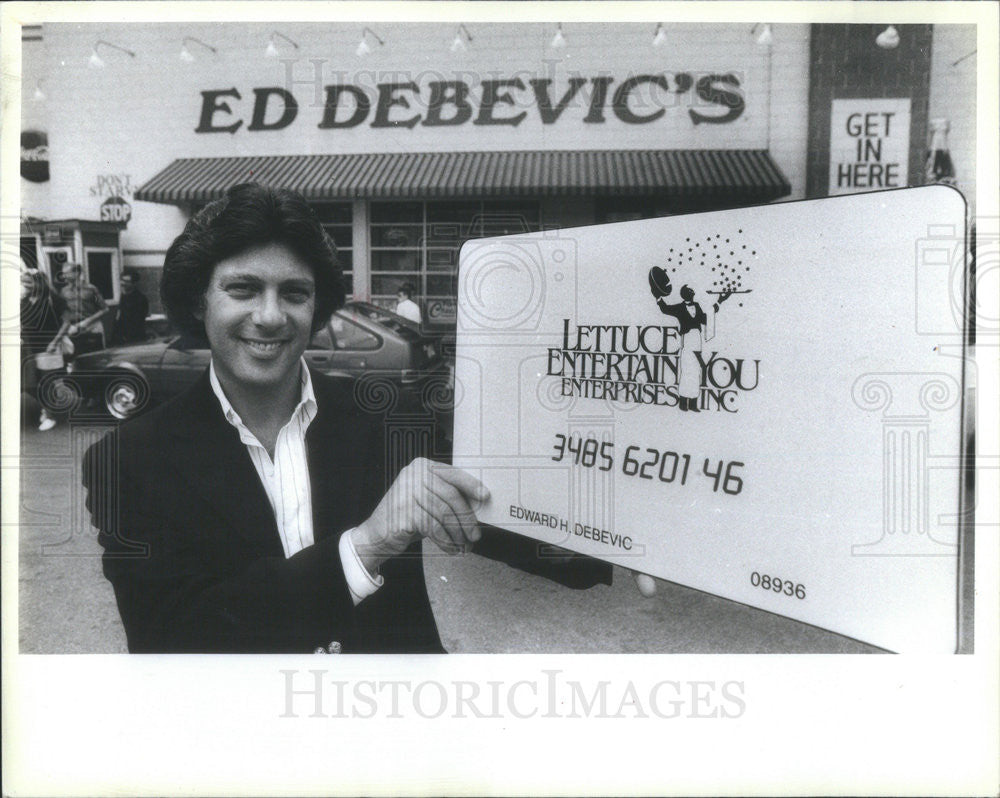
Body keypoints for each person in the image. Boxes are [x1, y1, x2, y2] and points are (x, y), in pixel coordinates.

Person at [82, 183, 489, 653]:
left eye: (294, 293)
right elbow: (172, 641)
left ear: (317, 308)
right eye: (244, 289)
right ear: (199, 301)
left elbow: (520, 518)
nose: (271, 316)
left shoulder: (388, 419)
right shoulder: (128, 459)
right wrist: (364, 547)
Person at [650, 277, 730, 412]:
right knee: (687, 369)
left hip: (697, 341)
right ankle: (683, 402)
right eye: (690, 292)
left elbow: (706, 318)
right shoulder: (680, 308)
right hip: (687, 340)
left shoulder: (697, 306)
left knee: (695, 371)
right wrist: (658, 297)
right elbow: (665, 309)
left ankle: (692, 403)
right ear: (685, 294)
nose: (692, 294)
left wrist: (720, 301)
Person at [20, 268, 65, 431]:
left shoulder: (52, 300)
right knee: (34, 382)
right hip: (30, 347)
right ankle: (47, 408)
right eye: (23, 282)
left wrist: (55, 341)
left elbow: (66, 322)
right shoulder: (23, 301)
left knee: (46, 382)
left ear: (39, 282)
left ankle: (51, 416)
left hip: (49, 346)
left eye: (28, 282)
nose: (25, 285)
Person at [49, 260, 109, 361]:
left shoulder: (91, 289)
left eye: (67, 273)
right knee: (76, 359)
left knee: (96, 358)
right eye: (63, 273)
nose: (64, 276)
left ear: (77, 273)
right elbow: (62, 312)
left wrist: (87, 322)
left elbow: (105, 309)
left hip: (92, 327)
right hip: (73, 329)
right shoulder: (64, 291)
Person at [111, 268, 149, 344]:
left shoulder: (140, 299)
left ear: (134, 284)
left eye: (126, 281)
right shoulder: (123, 296)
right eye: (122, 280)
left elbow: (137, 322)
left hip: (134, 339)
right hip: (120, 338)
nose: (123, 283)